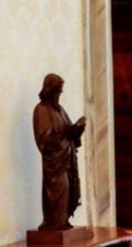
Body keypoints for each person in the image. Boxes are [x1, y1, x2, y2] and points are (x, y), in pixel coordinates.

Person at [33, 73, 86, 230]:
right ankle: (54, 223)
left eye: (61, 91)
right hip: (55, 164)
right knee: (58, 190)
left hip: (67, 159)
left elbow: (68, 131)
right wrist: (66, 133)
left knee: (69, 190)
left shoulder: (60, 110)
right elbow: (45, 140)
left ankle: (63, 220)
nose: (59, 95)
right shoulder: (41, 110)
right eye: (57, 91)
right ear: (50, 90)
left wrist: (76, 130)